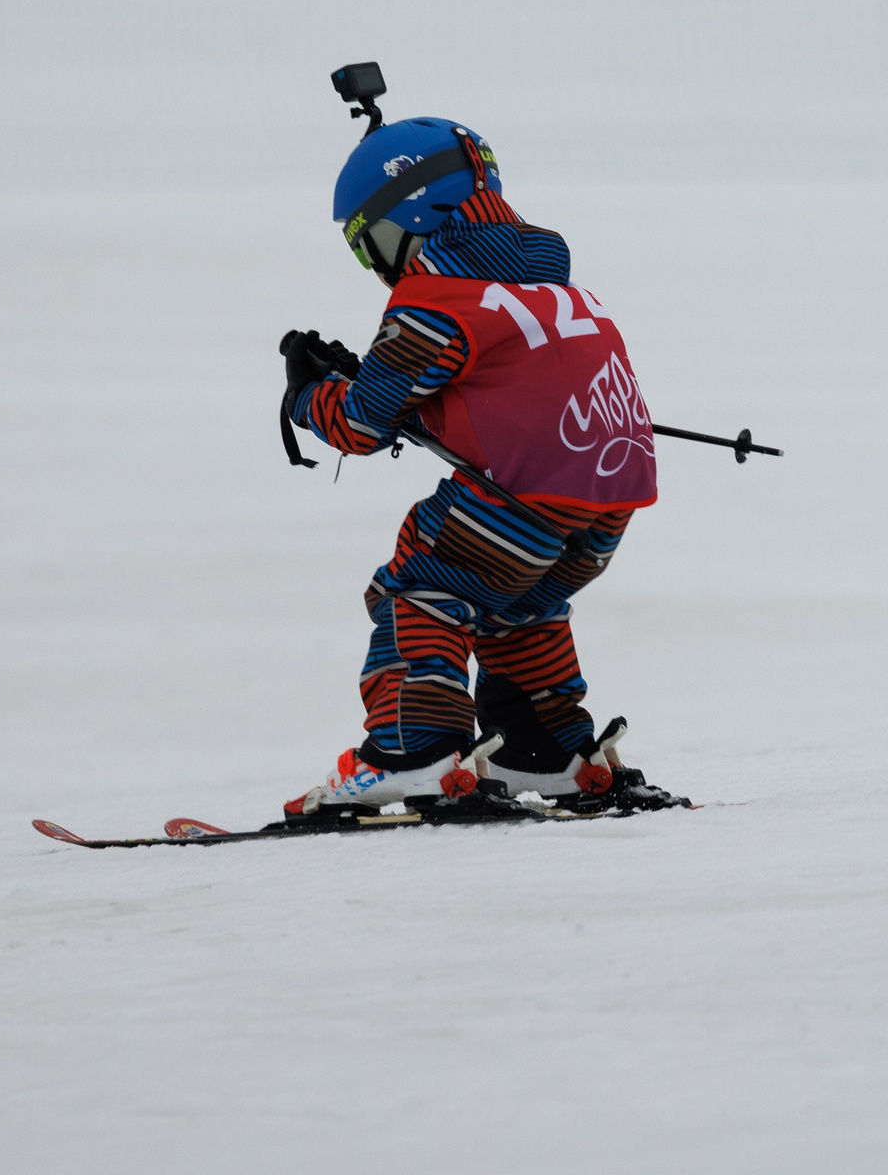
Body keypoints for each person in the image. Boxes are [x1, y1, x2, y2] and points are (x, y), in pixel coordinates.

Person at [282, 116, 658, 815]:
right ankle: (546, 750)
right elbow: (500, 393)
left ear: (413, 217)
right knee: (519, 604)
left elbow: (362, 424)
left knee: (422, 586)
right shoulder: (559, 293)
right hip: (609, 503)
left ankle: (413, 751)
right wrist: (379, 379)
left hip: (521, 499)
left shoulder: (437, 298)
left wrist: (307, 397)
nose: (378, 269)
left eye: (372, 244)